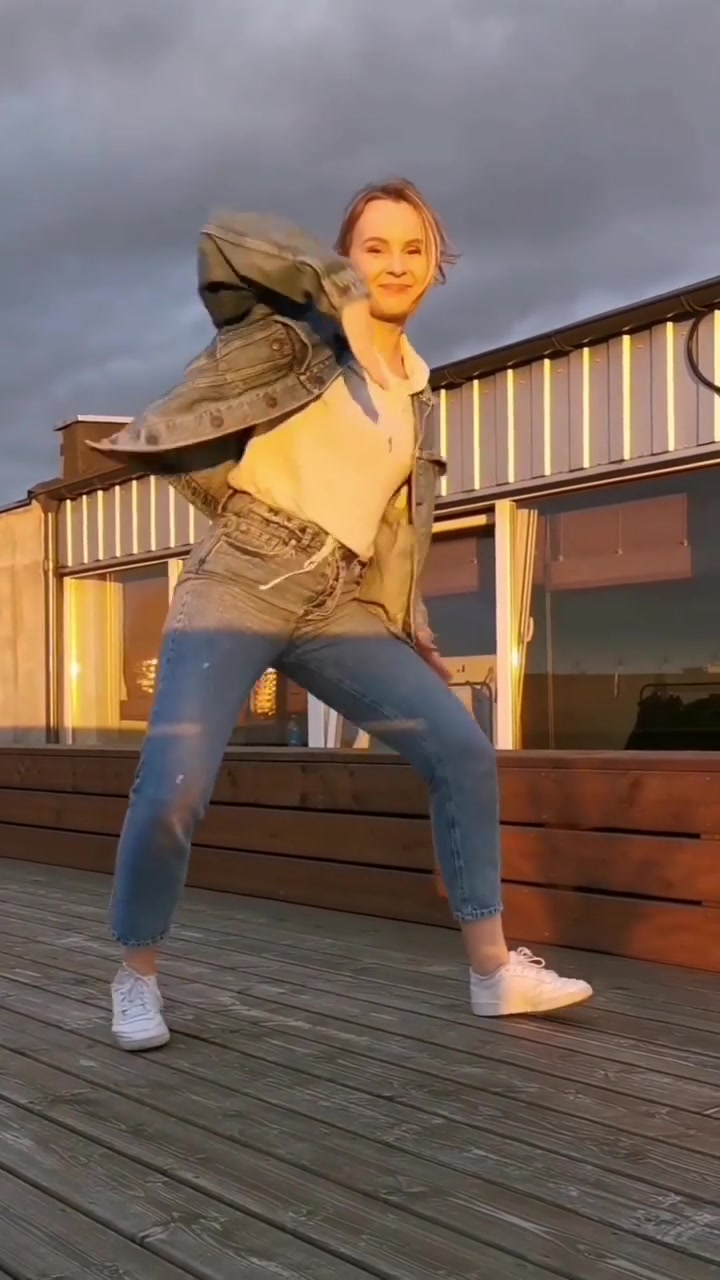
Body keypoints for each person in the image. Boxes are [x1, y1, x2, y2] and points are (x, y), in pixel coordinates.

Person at [95, 179, 593, 1051]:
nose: (396, 264)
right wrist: (336, 297)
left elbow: (393, 528)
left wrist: (416, 633)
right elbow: (225, 239)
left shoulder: (417, 386)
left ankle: (494, 972)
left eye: (414, 249)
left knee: (461, 750)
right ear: (345, 258)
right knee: (174, 784)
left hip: (341, 602)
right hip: (241, 577)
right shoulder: (297, 332)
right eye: (375, 247)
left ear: (437, 265)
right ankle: (136, 976)